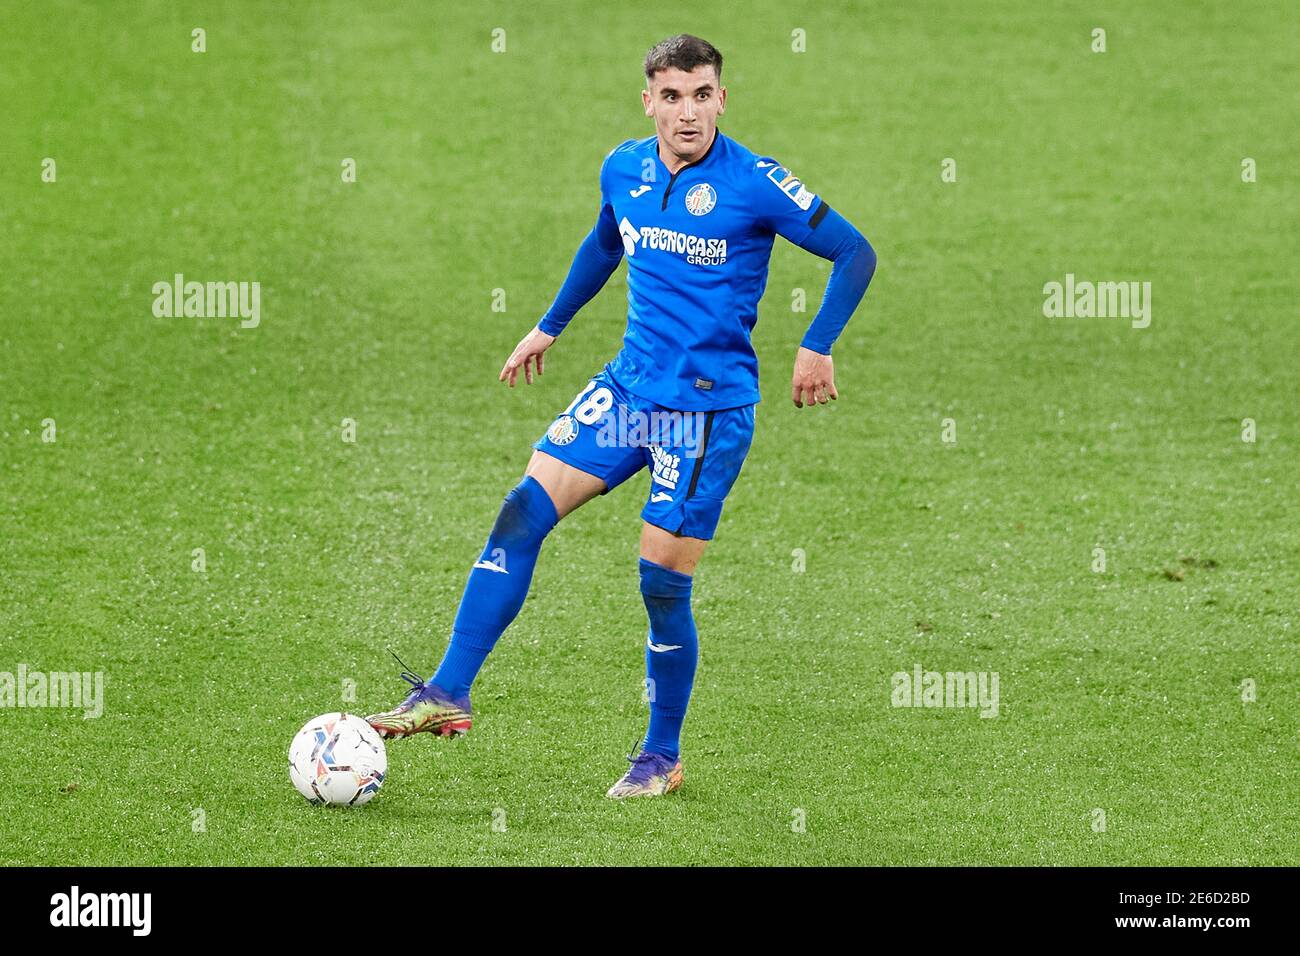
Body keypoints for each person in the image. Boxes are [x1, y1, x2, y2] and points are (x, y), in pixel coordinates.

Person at [367, 33, 877, 799]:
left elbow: (855, 252)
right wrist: (550, 324)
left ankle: (662, 757)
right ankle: (448, 691)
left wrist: (817, 346)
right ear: (649, 101)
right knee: (519, 513)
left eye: (702, 95)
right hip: (629, 392)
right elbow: (606, 243)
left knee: (660, 585)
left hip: (702, 416)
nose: (688, 113)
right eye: (672, 97)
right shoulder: (625, 168)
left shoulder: (757, 184)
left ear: (722, 99)